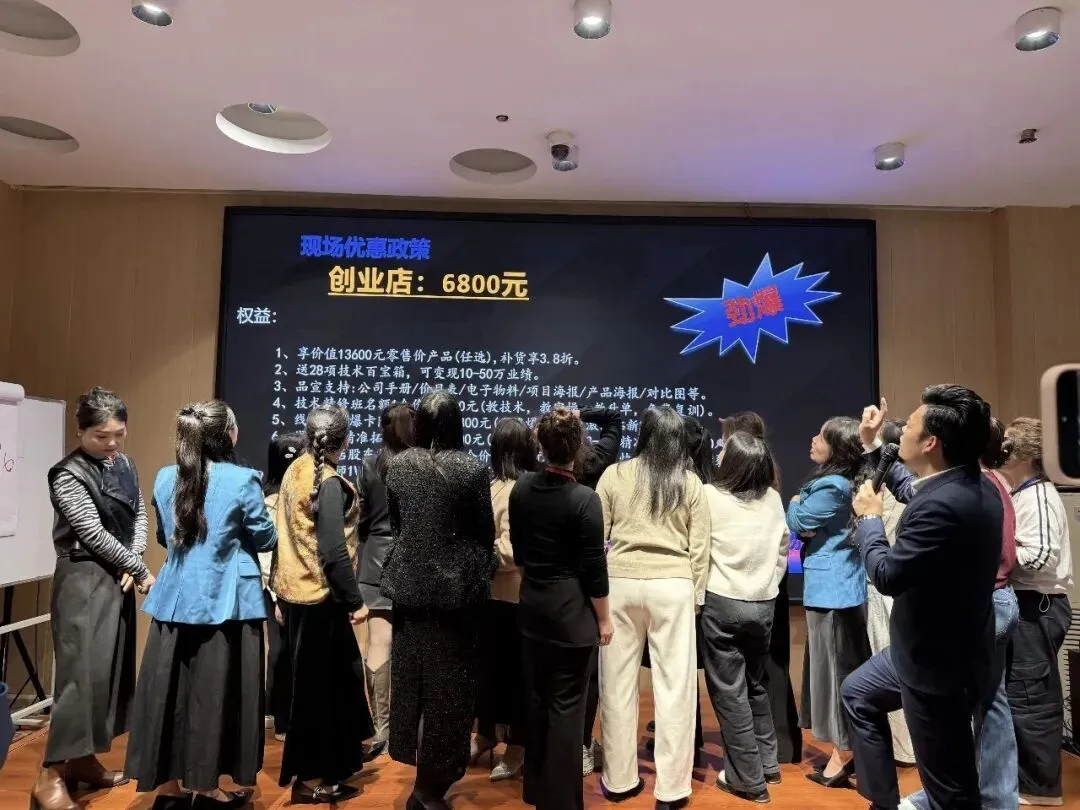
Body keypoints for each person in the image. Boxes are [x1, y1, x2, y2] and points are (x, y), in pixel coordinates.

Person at [841, 385, 1002, 810]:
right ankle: (883, 801)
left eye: (908, 426)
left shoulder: (945, 504)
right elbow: (908, 487)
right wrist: (872, 443)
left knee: (950, 789)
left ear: (931, 443)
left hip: (937, 668)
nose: (901, 434)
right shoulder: (965, 484)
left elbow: (887, 575)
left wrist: (870, 521)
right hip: (926, 652)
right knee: (857, 693)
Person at [125, 400, 276, 809]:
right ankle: (206, 790)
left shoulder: (164, 477)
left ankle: (168, 791)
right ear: (229, 435)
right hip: (228, 605)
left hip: (174, 603)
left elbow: (165, 537)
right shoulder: (243, 480)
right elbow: (265, 538)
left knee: (170, 696)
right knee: (215, 698)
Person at [32, 387, 152, 810]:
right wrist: (138, 569)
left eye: (119, 433)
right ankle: (49, 774)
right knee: (79, 679)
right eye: (102, 436)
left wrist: (135, 557)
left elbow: (139, 513)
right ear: (80, 431)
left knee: (106, 674)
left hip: (117, 576)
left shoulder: (125, 464)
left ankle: (82, 761)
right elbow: (92, 533)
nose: (112, 443)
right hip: (82, 580)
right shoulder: (67, 474)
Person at [896, 415, 1020, 810]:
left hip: (987, 602)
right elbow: (908, 489)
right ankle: (982, 796)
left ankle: (979, 797)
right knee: (985, 705)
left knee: (971, 709)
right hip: (996, 601)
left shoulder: (974, 489)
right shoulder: (984, 485)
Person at [381, 389, 496, 810]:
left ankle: (422, 781)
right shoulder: (471, 469)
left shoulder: (398, 466)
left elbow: (398, 527)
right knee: (450, 694)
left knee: (412, 686)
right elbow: (483, 535)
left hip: (409, 593)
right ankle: (431, 788)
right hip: (455, 599)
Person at [596, 405, 710, 810]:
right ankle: (672, 789)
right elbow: (700, 549)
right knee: (676, 689)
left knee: (616, 686)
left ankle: (619, 780)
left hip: (620, 584)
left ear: (643, 434)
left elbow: (596, 537)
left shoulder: (614, 475)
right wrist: (695, 599)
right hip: (673, 586)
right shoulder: (689, 482)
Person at [510, 407, 611, 810]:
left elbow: (520, 556)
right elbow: (595, 571)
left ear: (541, 444)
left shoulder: (522, 488)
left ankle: (538, 794)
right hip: (572, 619)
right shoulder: (585, 499)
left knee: (537, 704)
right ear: (579, 446)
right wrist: (604, 620)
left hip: (532, 611)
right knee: (567, 712)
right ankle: (563, 802)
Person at [272, 404, 372, 804]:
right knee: (322, 695)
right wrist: (355, 600)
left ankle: (328, 768)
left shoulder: (293, 472)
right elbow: (333, 552)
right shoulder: (328, 483)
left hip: (296, 596)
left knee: (319, 689)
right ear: (345, 442)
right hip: (322, 601)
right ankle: (313, 779)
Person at [699, 431, 790, 803]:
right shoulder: (773, 498)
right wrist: (767, 584)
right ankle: (768, 765)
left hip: (721, 603)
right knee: (755, 684)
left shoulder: (709, 495)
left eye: (724, 451)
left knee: (729, 693)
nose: (719, 454)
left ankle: (748, 781)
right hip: (763, 604)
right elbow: (783, 550)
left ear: (733, 462)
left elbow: (699, 549)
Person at [786, 416, 869, 788]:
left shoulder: (833, 486)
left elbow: (798, 520)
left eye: (821, 436)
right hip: (832, 589)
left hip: (834, 591)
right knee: (835, 672)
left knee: (837, 675)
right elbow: (805, 526)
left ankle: (844, 754)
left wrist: (795, 502)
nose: (813, 439)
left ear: (837, 448)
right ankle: (846, 751)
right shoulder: (838, 482)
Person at [999, 416, 1073, 807]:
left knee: (1031, 697)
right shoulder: (1022, 493)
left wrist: (996, 554)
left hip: (1037, 605)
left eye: (1008, 443)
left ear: (1025, 453)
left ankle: (1039, 788)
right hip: (1026, 603)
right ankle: (1022, 781)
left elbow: (1042, 556)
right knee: (1020, 693)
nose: (1001, 449)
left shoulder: (1039, 495)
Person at [720, 412, 802, 766]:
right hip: (771, 585)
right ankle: (783, 744)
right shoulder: (770, 482)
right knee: (773, 663)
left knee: (756, 670)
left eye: (726, 442)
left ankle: (760, 751)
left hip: (746, 587)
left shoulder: (729, 490)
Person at [472, 416, 536, 780]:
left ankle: (517, 746)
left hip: (514, 598)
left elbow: (511, 552)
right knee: (489, 673)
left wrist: (478, 552)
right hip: (490, 597)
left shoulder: (519, 489)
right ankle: (485, 735)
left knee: (515, 678)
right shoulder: (492, 485)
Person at [355, 402, 415, 759]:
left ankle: (381, 728)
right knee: (414, 646)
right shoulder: (420, 465)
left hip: (375, 561)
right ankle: (409, 726)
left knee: (378, 644)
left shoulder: (369, 464)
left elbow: (361, 518)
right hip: (413, 560)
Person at [860, 418, 915, 766]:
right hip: (898, 586)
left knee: (891, 664)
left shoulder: (892, 491)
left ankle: (903, 749)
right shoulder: (914, 484)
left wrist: (866, 518)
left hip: (887, 586)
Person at [574, 405, 622, 775]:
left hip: (551, 586)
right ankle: (584, 745)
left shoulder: (535, 480)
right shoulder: (601, 462)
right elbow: (614, 419)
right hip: (594, 578)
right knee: (590, 672)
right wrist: (582, 413)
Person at [261, 432, 303, 742]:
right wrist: (276, 596)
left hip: (299, 585)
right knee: (280, 651)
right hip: (275, 587)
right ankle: (279, 716)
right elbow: (266, 555)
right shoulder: (268, 500)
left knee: (291, 651)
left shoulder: (304, 494)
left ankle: (287, 714)